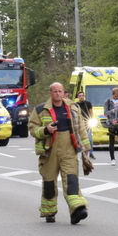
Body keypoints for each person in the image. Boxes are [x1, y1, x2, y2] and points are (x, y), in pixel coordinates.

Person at [28, 82, 90, 224]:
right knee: (49, 183)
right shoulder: (40, 110)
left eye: (60, 91)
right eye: (55, 91)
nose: (57, 93)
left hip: (69, 148)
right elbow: (32, 129)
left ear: (63, 92)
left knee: (71, 179)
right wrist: (46, 130)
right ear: (50, 93)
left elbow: (81, 127)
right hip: (49, 149)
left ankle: (77, 210)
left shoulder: (73, 107)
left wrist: (86, 146)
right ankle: (49, 211)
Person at [104, 87, 118, 165]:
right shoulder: (108, 101)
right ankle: (112, 159)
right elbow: (105, 113)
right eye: (116, 94)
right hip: (112, 123)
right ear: (113, 94)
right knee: (111, 141)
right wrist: (112, 111)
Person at [76, 91, 95, 159]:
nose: (81, 97)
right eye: (80, 96)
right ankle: (83, 154)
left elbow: (91, 112)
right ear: (78, 97)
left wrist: (91, 119)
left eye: (82, 95)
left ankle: (91, 153)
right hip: (80, 124)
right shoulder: (76, 105)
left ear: (84, 96)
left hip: (88, 123)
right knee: (82, 140)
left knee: (90, 139)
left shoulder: (88, 103)